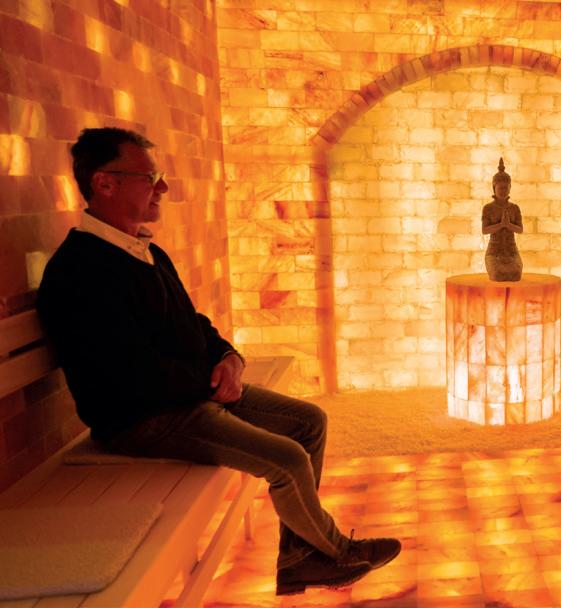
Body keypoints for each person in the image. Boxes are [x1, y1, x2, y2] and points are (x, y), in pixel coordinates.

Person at [35, 127, 401, 597]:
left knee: (308, 421)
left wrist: (228, 358)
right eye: (151, 178)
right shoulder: (80, 270)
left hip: (187, 396)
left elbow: (193, 323)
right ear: (105, 183)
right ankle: (334, 552)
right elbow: (128, 371)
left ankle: (299, 558)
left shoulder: (143, 250)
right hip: (142, 418)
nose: (163, 188)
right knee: (286, 459)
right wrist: (209, 387)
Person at [481, 157, 524, 281]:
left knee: (515, 274)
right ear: (494, 188)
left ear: (510, 188)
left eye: (506, 188)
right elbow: (485, 230)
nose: (503, 191)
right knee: (498, 275)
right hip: (494, 252)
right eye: (501, 188)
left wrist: (509, 225)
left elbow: (520, 230)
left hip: (511, 251)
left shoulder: (514, 208)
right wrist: (501, 224)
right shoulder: (488, 208)